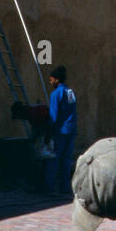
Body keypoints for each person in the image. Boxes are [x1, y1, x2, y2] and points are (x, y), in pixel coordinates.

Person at [45, 66, 77, 195]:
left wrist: (49, 132)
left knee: (53, 159)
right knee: (67, 159)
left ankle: (50, 188)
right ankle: (65, 187)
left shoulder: (56, 94)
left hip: (60, 131)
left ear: (57, 80)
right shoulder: (70, 92)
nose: (50, 82)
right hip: (71, 129)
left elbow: (53, 115)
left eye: (51, 79)